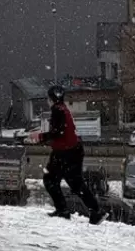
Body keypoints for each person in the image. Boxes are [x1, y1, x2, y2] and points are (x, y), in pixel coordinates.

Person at [39, 85, 105, 224]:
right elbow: (62, 132)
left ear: (51, 99)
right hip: (72, 150)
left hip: (65, 152)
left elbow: (57, 132)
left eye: (48, 98)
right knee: (75, 183)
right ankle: (95, 211)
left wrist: (40, 137)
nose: (47, 101)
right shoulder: (63, 108)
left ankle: (63, 210)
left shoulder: (57, 110)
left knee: (50, 180)